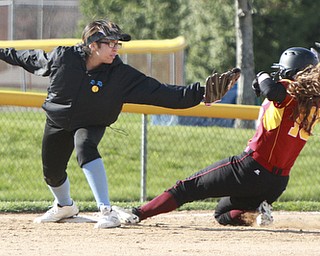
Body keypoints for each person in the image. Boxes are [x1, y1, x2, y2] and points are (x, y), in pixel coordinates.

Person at [0, 19, 224, 228]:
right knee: (52, 172)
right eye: (111, 43)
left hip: (92, 121)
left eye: (118, 44)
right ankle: (64, 206)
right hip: (58, 120)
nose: (116, 48)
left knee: (85, 146)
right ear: (93, 45)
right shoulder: (64, 58)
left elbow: (162, 92)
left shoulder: (120, 75)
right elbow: (28, 58)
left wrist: (202, 94)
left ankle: (106, 211)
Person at [113, 47, 320, 227]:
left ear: (289, 71)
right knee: (222, 213)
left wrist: (262, 75)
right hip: (277, 182)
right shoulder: (314, 105)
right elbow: (275, 97)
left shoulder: (287, 90)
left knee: (186, 188)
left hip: (250, 167)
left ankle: (137, 213)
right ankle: (258, 212)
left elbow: (271, 90)